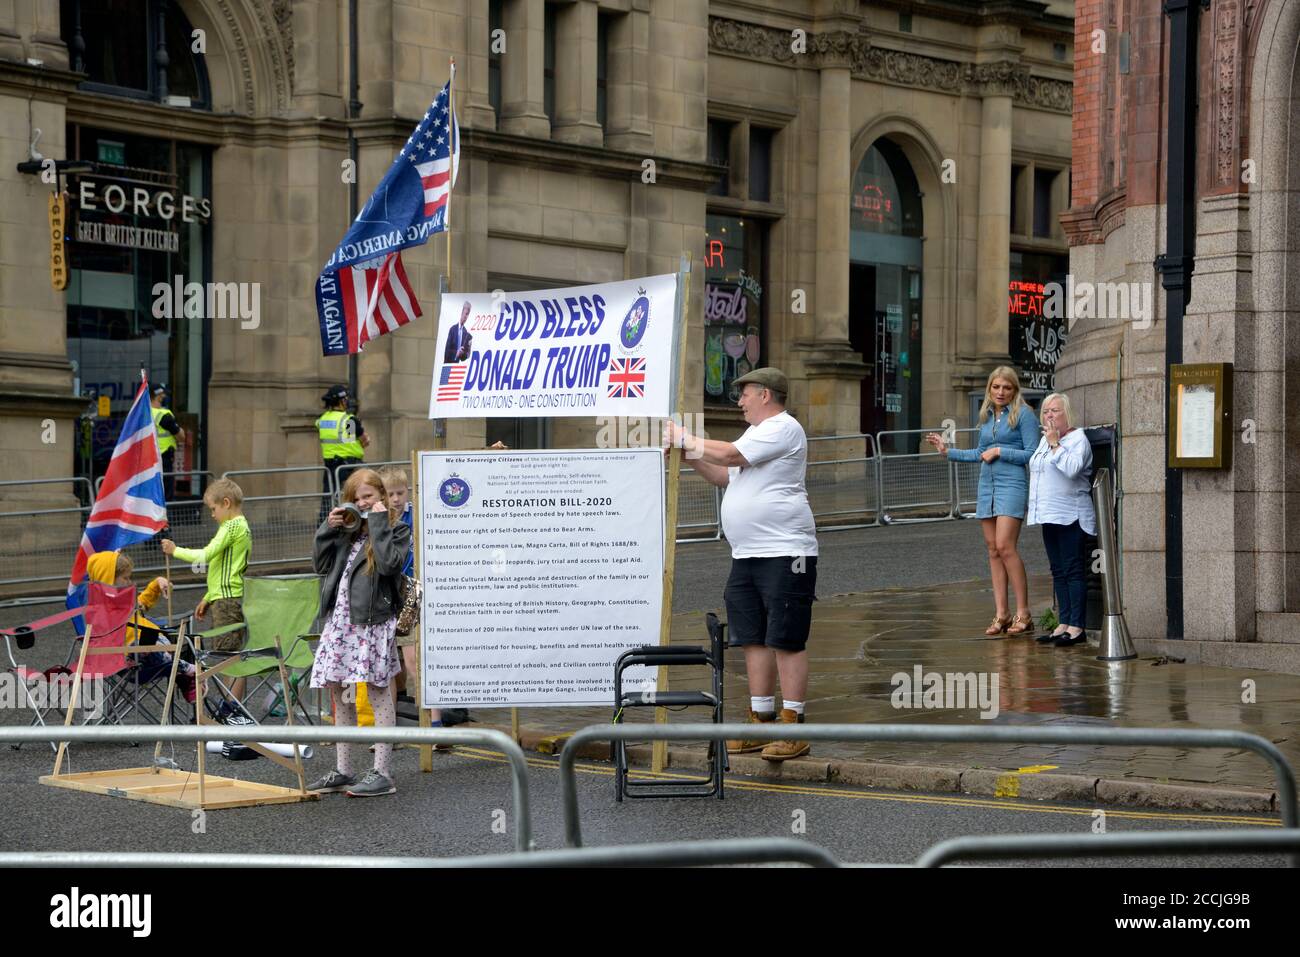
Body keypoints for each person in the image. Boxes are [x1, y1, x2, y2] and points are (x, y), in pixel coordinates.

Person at [664, 367, 818, 762]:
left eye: (745, 393)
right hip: (747, 554)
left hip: (786, 551)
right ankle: (760, 720)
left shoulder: (783, 428)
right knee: (752, 636)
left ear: (765, 394)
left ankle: (793, 724)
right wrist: (687, 453)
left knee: (786, 636)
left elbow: (730, 455)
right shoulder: (753, 434)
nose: (739, 401)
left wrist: (685, 436)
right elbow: (723, 475)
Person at [307, 468, 410, 797]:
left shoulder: (397, 528)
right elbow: (319, 565)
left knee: (379, 694)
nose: (362, 502)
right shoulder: (347, 533)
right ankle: (344, 770)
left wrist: (378, 523)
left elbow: (389, 565)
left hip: (372, 624)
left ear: (381, 496)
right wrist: (328, 528)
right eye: (356, 498)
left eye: (368, 496)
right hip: (341, 624)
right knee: (340, 694)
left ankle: (382, 773)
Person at [926, 367, 1041, 636]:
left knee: (1005, 546)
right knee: (992, 549)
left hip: (1012, 484)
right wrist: (947, 451)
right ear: (990, 389)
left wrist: (1001, 451)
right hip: (986, 486)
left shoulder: (1024, 414)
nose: (1001, 392)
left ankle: (1024, 612)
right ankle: (1002, 614)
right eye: (996, 387)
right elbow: (980, 452)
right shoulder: (988, 416)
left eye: (1006, 388)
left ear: (1015, 390)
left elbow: (1033, 453)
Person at [160, 477, 252, 724]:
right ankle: (230, 707)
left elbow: (205, 555)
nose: (212, 515)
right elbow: (223, 568)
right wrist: (209, 597)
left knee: (229, 656)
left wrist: (175, 550)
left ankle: (233, 709)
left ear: (226, 503)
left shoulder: (232, 526)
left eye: (213, 509)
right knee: (228, 655)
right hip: (224, 597)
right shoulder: (238, 526)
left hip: (228, 600)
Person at [1025, 392, 1096, 647]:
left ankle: (1077, 627)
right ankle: (1063, 623)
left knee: (1073, 569)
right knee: (1058, 571)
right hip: (1049, 515)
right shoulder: (1046, 440)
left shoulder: (1078, 439)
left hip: (1070, 515)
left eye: (1055, 411)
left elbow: (1072, 468)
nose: (1049, 415)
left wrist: (1056, 444)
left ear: (1067, 414)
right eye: (1045, 411)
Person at [86, 550, 196, 703]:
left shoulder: (123, 603)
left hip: (150, 651)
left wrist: (157, 583)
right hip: (132, 661)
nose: (129, 582)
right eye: (125, 578)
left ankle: (184, 677)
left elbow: (142, 602)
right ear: (108, 579)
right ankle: (185, 670)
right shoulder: (101, 610)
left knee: (154, 642)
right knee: (147, 645)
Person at [316, 385, 369, 512]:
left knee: (328, 499)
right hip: (348, 466)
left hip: (329, 466)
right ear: (341, 401)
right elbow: (363, 440)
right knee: (353, 497)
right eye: (345, 398)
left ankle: (325, 526)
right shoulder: (348, 420)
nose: (347, 401)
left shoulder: (322, 420)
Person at [150, 386, 185, 501]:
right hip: (163, 459)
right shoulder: (163, 416)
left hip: (148, 460)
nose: (165, 397)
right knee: (167, 496)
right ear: (159, 396)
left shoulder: (143, 413)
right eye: (163, 395)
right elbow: (181, 437)